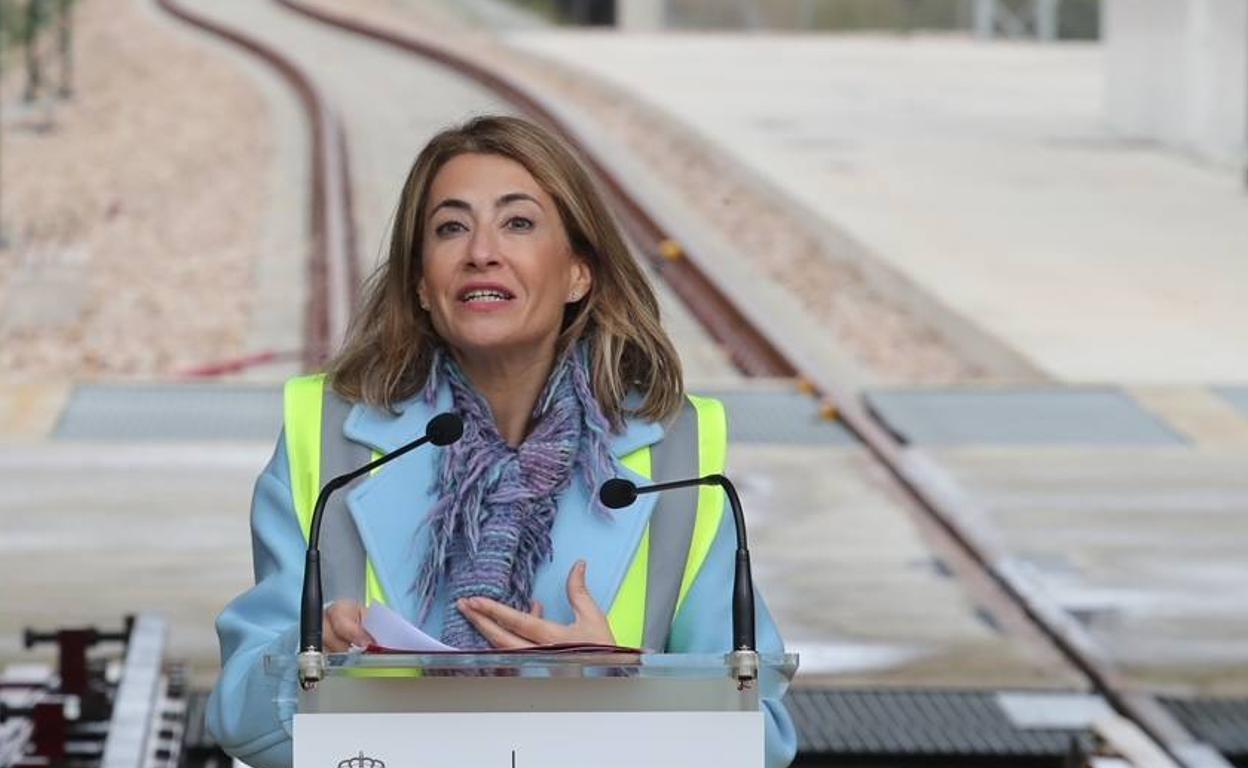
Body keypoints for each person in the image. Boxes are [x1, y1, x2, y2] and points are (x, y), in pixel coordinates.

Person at [205, 115, 796, 767]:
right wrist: (307, 658)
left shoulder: (677, 455)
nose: (481, 251)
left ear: (579, 273)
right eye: (451, 227)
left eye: (517, 223)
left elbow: (762, 739)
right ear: (423, 286)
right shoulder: (326, 436)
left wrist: (620, 687)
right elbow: (238, 712)